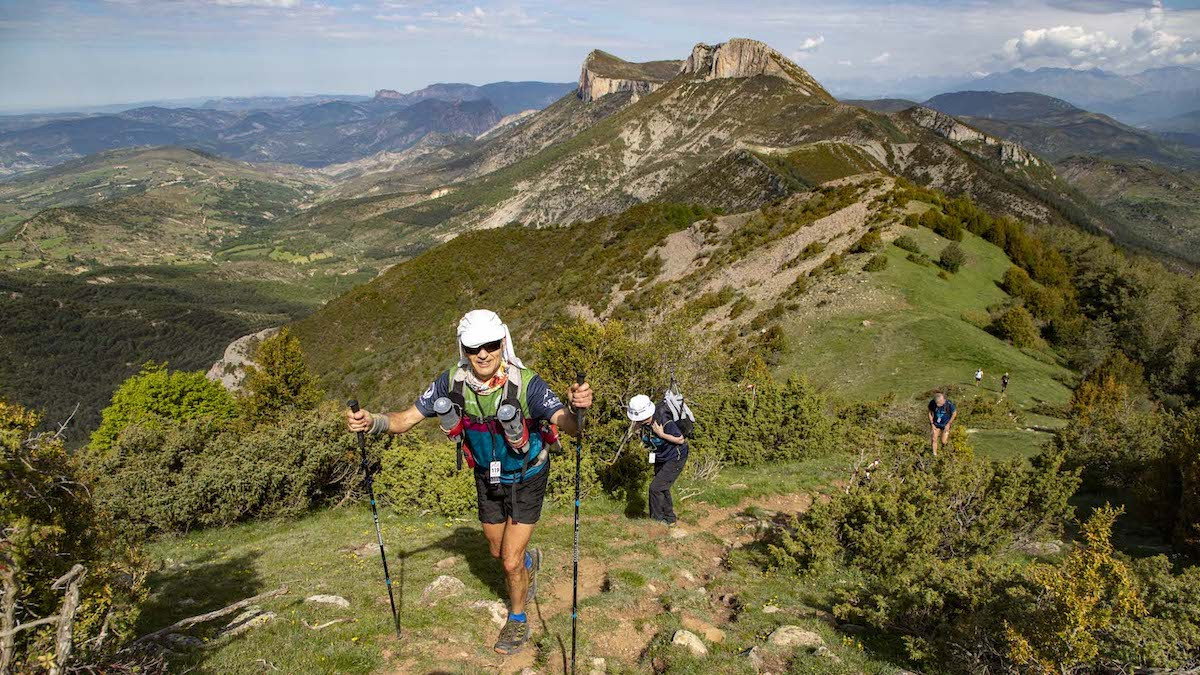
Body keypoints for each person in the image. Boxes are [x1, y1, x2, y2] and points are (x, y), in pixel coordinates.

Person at [347, 309, 592, 655]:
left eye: (491, 345)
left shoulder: (527, 384)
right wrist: (370, 421)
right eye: (474, 346)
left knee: (508, 559)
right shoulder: (451, 382)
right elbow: (404, 419)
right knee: (496, 550)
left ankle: (518, 619)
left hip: (527, 474)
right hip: (487, 474)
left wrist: (578, 409)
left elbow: (568, 425)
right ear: (462, 347)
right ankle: (528, 564)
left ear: (502, 342)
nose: (483, 354)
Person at [626, 394, 688, 526]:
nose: (638, 421)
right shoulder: (643, 422)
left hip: (675, 457)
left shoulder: (664, 419)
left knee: (655, 488)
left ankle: (656, 521)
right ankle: (670, 519)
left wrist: (661, 434)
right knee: (662, 487)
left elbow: (680, 439)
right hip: (661, 456)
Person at [927, 392, 957, 456]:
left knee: (944, 441)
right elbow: (929, 412)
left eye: (939, 403)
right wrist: (932, 424)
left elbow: (954, 413)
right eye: (936, 404)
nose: (937, 405)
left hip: (945, 424)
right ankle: (934, 455)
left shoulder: (949, 404)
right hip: (936, 424)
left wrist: (948, 424)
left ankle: (945, 452)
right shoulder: (932, 403)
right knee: (934, 439)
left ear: (942, 400)